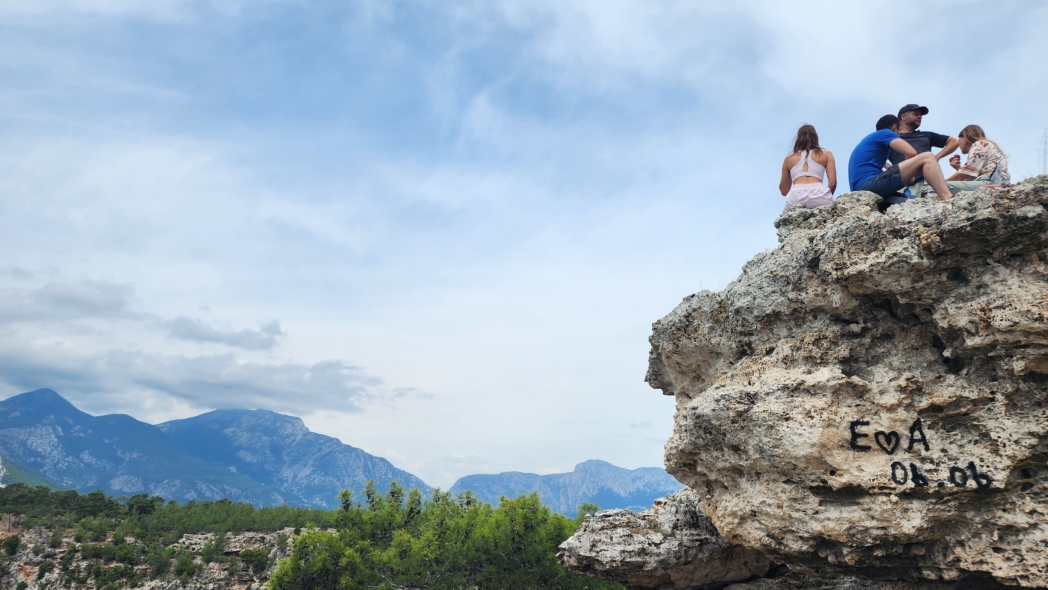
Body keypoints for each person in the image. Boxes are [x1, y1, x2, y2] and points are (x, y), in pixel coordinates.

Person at [848, 114, 953, 202]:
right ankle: (947, 198)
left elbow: (882, 167)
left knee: (908, 203)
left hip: (861, 188)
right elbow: (911, 152)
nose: (900, 135)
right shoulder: (885, 133)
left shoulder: (872, 140)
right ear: (894, 127)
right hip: (869, 183)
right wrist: (910, 175)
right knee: (927, 157)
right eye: (900, 131)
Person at [779, 124, 837, 212]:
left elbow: (784, 190)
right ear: (815, 137)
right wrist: (824, 196)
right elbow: (832, 183)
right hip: (820, 193)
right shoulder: (827, 154)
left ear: (798, 139)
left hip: (796, 195)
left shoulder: (789, 159)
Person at [944, 125, 1010, 193]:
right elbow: (969, 177)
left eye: (959, 140)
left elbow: (965, 174)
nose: (958, 144)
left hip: (990, 180)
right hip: (996, 180)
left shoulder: (979, 144)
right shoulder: (985, 145)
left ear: (965, 137)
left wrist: (941, 183)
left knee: (945, 187)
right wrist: (958, 168)